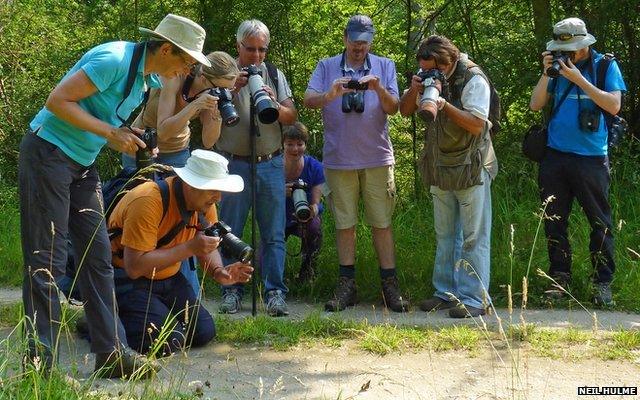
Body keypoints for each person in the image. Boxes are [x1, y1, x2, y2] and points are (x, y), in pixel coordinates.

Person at [18, 13, 210, 378]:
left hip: (81, 165)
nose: (186, 69)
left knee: (97, 256)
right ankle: (40, 366)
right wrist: (110, 133)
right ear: (166, 48)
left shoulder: (144, 79)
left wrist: (133, 139)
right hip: (49, 155)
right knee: (49, 261)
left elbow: (102, 116)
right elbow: (57, 101)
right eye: (186, 60)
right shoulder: (115, 60)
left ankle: (112, 354)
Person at [304, 15, 409, 313]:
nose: (359, 47)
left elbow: (394, 108)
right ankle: (346, 285)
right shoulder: (326, 66)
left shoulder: (385, 65)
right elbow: (308, 99)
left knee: (382, 223)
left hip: (377, 157)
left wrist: (376, 88)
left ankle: (390, 286)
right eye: (354, 40)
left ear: (371, 40)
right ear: (344, 38)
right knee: (344, 224)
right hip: (339, 160)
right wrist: (331, 94)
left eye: (364, 41)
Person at [109, 150, 253, 355]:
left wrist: (219, 271)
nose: (219, 197)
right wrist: (189, 248)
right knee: (168, 341)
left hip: (169, 277)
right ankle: (103, 319)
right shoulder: (148, 200)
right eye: (213, 189)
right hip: (129, 281)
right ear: (191, 184)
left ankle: (146, 315)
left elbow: (208, 240)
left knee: (203, 332)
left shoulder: (204, 203)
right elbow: (134, 267)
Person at [122, 51, 240, 295]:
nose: (225, 93)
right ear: (206, 78)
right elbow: (163, 130)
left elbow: (208, 141)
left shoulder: (212, 94)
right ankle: (131, 291)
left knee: (186, 221)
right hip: (143, 147)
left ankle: (188, 298)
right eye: (222, 88)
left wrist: (216, 113)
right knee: (144, 215)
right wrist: (195, 105)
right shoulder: (175, 75)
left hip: (178, 153)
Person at [399, 35, 498, 318]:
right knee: (445, 235)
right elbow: (405, 112)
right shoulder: (426, 75)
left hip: (471, 166)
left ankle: (475, 299)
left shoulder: (474, 79)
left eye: (432, 69)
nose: (428, 73)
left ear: (449, 62)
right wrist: (415, 89)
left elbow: (478, 125)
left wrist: (443, 104)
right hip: (440, 165)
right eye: (423, 68)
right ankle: (446, 293)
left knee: (473, 237)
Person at [529, 18, 626, 307]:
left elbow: (614, 105)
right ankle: (560, 277)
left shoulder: (605, 66)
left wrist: (579, 80)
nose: (567, 53)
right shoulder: (556, 68)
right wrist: (548, 74)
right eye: (562, 48)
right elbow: (535, 104)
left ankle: (602, 282)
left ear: (584, 44)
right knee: (554, 220)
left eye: (572, 47)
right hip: (556, 156)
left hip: (592, 158)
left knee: (600, 223)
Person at [215, 19, 297, 316]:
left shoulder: (274, 73)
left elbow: (291, 116)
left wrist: (275, 102)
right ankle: (231, 291)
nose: (257, 56)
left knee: (273, 232)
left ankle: (274, 292)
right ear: (238, 46)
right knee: (230, 231)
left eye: (262, 49)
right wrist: (229, 86)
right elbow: (208, 116)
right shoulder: (223, 72)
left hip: (270, 162)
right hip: (233, 162)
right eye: (251, 49)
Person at [282, 122, 325, 282]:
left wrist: (313, 209)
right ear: (282, 145)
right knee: (261, 263)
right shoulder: (273, 166)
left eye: (300, 144)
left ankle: (308, 272)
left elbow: (317, 203)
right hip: (279, 217)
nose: (295, 149)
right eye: (290, 144)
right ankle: (276, 277)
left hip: (304, 218)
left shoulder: (315, 167)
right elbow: (264, 199)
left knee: (315, 226)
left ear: (305, 145)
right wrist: (280, 192)